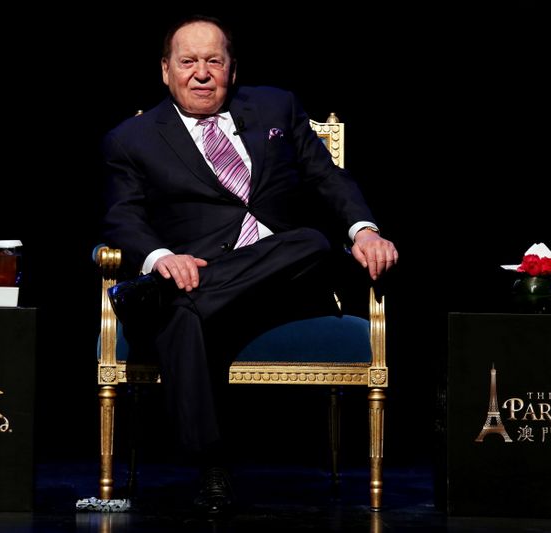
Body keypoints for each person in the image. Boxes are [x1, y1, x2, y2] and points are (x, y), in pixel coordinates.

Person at [101, 15, 398, 514]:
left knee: (308, 241)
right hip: (196, 272)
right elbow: (122, 216)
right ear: (166, 71)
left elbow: (327, 178)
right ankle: (212, 465)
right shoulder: (132, 139)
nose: (201, 73)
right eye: (188, 62)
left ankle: (169, 294)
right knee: (185, 309)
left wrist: (363, 229)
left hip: (287, 278)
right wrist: (162, 258)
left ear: (231, 69)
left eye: (213, 61)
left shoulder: (275, 105)